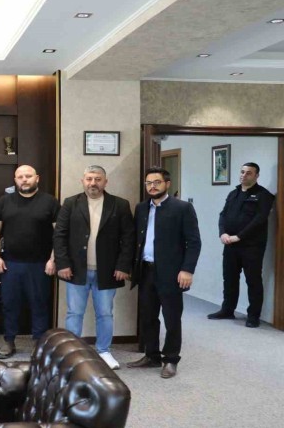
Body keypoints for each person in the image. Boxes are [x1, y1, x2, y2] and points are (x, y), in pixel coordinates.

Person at [53, 165, 135, 370]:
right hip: (75, 270)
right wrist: (62, 264)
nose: (93, 183)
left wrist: (123, 266)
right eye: (89, 179)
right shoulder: (70, 203)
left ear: (105, 182)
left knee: (105, 313)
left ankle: (104, 351)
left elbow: (128, 238)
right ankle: (72, 352)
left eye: (98, 179)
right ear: (82, 181)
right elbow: (59, 235)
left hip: (107, 271)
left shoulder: (120, 204)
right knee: (74, 313)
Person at [127, 167, 201, 379]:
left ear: (167, 184)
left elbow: (194, 242)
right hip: (146, 271)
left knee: (172, 318)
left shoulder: (182, 208)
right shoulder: (141, 208)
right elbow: (136, 239)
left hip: (171, 273)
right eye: (149, 183)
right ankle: (151, 355)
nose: (152, 186)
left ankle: (171, 359)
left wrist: (187, 269)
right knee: (148, 317)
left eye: (157, 182)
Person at [0, 165, 59, 359]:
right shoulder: (4, 201)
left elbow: (59, 233)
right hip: (10, 264)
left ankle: (38, 343)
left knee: (40, 304)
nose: (24, 179)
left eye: (28, 176)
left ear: (37, 178)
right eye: (20, 176)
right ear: (15, 179)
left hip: (40, 264)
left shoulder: (50, 202)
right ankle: (9, 341)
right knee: (9, 304)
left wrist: (53, 259)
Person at [208, 162, 274, 327]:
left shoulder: (264, 195)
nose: (244, 175)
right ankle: (227, 310)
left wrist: (239, 236)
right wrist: (222, 233)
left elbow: (259, 220)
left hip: (252, 246)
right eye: (242, 172)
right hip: (230, 244)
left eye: (249, 173)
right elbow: (223, 215)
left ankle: (253, 316)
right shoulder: (233, 193)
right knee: (229, 279)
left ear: (256, 176)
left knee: (253, 281)